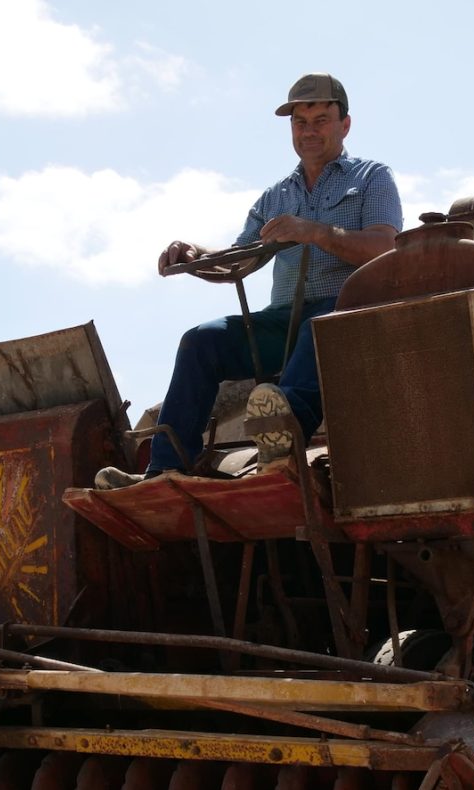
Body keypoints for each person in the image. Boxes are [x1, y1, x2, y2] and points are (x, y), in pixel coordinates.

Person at [96, 72, 403, 489]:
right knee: (202, 340)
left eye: (321, 119)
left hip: (347, 316)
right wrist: (195, 256)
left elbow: (385, 248)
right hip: (283, 323)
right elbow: (237, 262)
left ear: (345, 125)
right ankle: (164, 472)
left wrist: (314, 232)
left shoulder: (372, 177)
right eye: (300, 122)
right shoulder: (275, 196)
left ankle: (283, 435)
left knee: (323, 323)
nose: (309, 131)